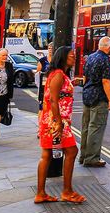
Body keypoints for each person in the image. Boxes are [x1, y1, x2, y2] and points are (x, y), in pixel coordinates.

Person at [36, 46, 85, 204]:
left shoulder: (59, 75)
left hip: (52, 120)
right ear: (63, 57)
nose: (74, 58)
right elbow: (52, 100)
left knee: (47, 155)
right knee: (71, 151)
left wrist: (71, 84)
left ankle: (41, 193)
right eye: (71, 55)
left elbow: (58, 94)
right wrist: (58, 122)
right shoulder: (58, 74)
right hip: (56, 122)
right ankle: (67, 191)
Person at [80, 36, 110, 167]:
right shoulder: (105, 60)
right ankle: (92, 158)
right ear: (108, 47)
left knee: (86, 127)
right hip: (99, 97)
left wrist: (86, 90)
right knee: (96, 127)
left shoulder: (90, 58)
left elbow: (84, 77)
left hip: (87, 95)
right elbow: (105, 81)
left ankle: (83, 155)